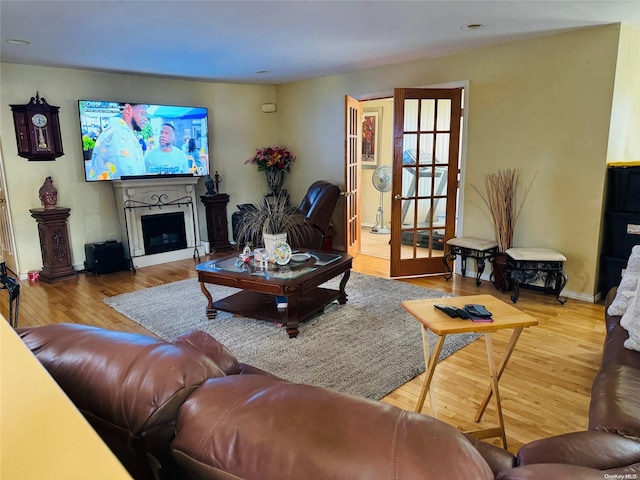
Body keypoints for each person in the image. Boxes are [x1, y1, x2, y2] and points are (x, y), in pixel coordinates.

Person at [89, 103, 148, 180]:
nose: (146, 118)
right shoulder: (118, 135)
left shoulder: (124, 133)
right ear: (128, 109)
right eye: (142, 113)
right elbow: (128, 179)